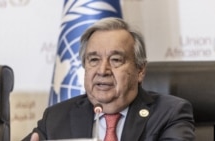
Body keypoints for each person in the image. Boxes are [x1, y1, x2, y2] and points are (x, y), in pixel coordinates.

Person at [22, 17, 195, 141]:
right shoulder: (56, 117)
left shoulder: (170, 113)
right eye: (94, 60)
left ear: (140, 70)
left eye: (115, 60)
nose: (102, 70)